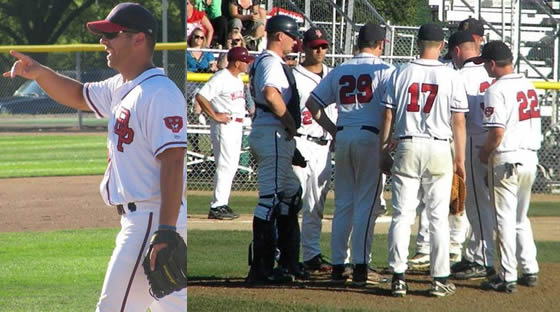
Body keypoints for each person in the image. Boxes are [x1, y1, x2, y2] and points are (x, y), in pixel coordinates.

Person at [4, 3, 187, 311]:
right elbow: (77, 95)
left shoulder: (159, 93)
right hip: (145, 218)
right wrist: (39, 73)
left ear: (139, 39)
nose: (104, 42)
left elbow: (173, 161)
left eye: (112, 34)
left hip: (152, 218)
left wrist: (165, 230)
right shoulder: (122, 86)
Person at [379, 23, 468, 297]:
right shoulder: (452, 75)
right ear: (442, 45)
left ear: (418, 43)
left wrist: (383, 148)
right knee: (437, 217)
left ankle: (398, 277)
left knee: (402, 215)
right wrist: (460, 161)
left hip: (407, 144)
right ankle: (439, 279)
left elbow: (388, 116)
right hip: (440, 147)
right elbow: (459, 121)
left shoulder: (401, 72)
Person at [306, 23, 393, 286]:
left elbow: (313, 103)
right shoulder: (386, 70)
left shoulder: (341, 69)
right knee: (367, 203)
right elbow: (391, 111)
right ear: (381, 44)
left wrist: (334, 131)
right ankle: (361, 267)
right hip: (370, 136)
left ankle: (338, 266)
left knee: (343, 204)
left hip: (344, 134)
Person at [474, 41, 541, 293]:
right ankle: (530, 268)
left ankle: (507, 275)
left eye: (485, 64)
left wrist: (483, 154)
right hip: (530, 158)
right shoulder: (528, 84)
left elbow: (497, 133)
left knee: (503, 220)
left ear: (492, 64)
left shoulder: (496, 89)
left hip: (506, 158)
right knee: (520, 218)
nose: (485, 69)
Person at [245, 14, 304, 284]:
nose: (296, 41)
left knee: (291, 193)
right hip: (273, 132)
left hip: (271, 133)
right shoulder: (269, 60)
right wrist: (290, 124)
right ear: (279, 36)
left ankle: (287, 262)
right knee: (270, 199)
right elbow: (271, 93)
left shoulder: (265, 60)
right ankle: (262, 269)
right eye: (293, 36)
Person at [446, 31, 496, 280]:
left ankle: (484, 259)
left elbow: (457, 119)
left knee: (477, 206)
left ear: (457, 51)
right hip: (499, 141)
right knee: (492, 206)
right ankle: (476, 254)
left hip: (475, 142)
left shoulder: (460, 76)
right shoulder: (493, 68)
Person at [292, 27, 336, 274]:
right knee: (292, 201)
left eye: (323, 46)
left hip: (324, 145)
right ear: (304, 47)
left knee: (316, 204)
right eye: (314, 46)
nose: (319, 50)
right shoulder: (293, 76)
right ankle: (282, 254)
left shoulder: (333, 74)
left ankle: (311, 256)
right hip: (300, 141)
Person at [195, 47, 254, 220]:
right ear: (237, 62)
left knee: (231, 166)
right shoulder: (221, 77)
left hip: (236, 125)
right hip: (225, 125)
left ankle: (222, 203)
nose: (247, 64)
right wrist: (214, 115)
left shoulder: (237, 79)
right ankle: (217, 206)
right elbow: (201, 96)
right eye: (245, 61)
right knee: (225, 165)